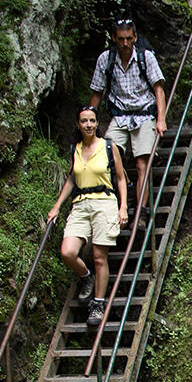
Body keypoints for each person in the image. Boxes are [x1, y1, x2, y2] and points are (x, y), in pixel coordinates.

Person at [47, 106, 130, 329]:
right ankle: (86, 275)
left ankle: (98, 303)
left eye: (92, 121)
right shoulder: (75, 149)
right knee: (67, 252)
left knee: (99, 256)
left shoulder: (108, 146)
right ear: (78, 124)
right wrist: (56, 207)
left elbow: (121, 178)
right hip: (80, 204)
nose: (89, 125)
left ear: (97, 123)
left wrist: (123, 207)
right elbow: (71, 180)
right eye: (84, 121)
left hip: (105, 201)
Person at [88, 18, 166, 225]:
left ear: (135, 37)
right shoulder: (106, 59)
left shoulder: (145, 57)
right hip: (120, 115)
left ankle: (140, 212)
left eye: (129, 39)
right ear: (114, 38)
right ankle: (128, 185)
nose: (125, 44)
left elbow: (159, 90)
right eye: (121, 39)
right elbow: (97, 92)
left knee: (142, 163)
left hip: (144, 114)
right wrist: (88, 118)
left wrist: (161, 119)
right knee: (108, 157)